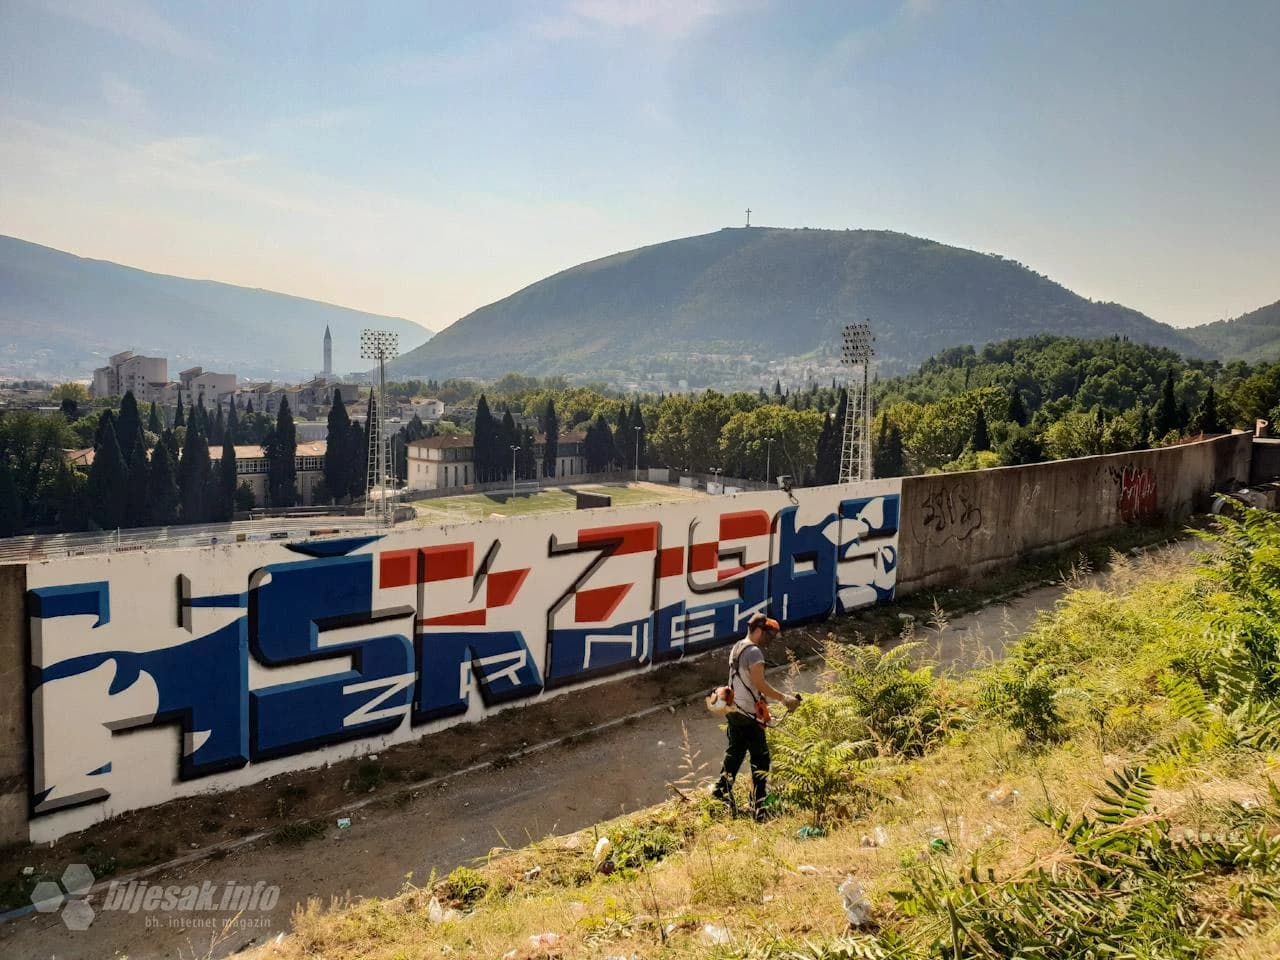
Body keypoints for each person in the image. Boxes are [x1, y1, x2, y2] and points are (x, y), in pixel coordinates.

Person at [711, 612, 800, 819]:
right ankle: (759, 806)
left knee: (735, 753)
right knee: (761, 759)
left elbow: (746, 683)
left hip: (734, 710)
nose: (769, 640)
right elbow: (760, 683)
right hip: (748, 715)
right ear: (758, 630)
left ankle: (720, 792)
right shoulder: (754, 653)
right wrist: (784, 699)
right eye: (768, 635)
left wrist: (761, 700)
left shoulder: (738, 646)